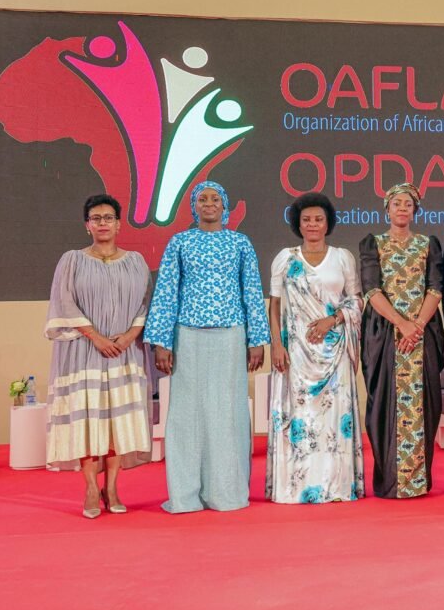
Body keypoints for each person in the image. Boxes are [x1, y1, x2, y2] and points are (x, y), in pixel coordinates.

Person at [144, 180, 269, 512]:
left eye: (215, 199)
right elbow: (167, 290)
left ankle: (226, 492)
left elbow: (252, 290)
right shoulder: (180, 242)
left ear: (224, 205)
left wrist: (257, 340)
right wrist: (161, 342)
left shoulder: (240, 243)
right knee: (187, 414)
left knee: (228, 412)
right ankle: (185, 495)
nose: (209, 203)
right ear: (194, 206)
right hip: (187, 335)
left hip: (231, 335)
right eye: (203, 199)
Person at [45, 194, 153, 519]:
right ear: (87, 225)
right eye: (96, 218)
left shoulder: (136, 262)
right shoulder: (72, 261)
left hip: (124, 352)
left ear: (119, 224)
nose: (102, 223)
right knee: (89, 419)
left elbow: (145, 303)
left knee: (116, 421)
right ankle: (92, 488)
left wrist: (129, 336)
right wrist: (96, 337)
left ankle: (113, 487)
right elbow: (64, 302)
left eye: (108, 218)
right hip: (84, 351)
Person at [267, 192, 365, 503]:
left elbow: (356, 301)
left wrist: (332, 320)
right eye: (306, 219)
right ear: (298, 224)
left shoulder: (342, 257)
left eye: (318, 219)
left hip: (335, 354)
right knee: (302, 419)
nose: (312, 224)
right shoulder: (285, 258)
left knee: (333, 421)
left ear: (328, 223)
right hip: (296, 354)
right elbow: (274, 306)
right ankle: (296, 487)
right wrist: (276, 345)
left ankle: (335, 487)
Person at [360, 183, 444, 499]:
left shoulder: (427, 244)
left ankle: (419, 481)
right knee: (382, 405)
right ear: (387, 209)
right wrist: (402, 324)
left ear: (415, 210)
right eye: (396, 203)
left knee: (427, 405)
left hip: (422, 336)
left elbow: (435, 288)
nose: (402, 208)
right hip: (385, 334)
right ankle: (390, 482)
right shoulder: (374, 243)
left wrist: (417, 326)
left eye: (408, 204)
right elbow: (371, 289)